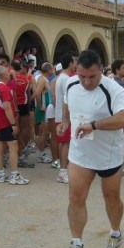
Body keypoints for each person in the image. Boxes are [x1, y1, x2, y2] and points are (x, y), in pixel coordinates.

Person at [58, 50, 124, 248]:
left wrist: (94, 125)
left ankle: (115, 233)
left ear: (101, 70)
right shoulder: (71, 84)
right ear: (76, 71)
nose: (86, 81)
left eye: (92, 76)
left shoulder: (113, 89)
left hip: (108, 154)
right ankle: (77, 244)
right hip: (80, 152)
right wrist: (65, 121)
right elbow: (67, 102)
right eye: (82, 76)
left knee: (111, 198)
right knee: (75, 197)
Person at [0, 66, 29, 185]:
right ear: (3, 75)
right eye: (7, 72)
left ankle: (1, 174)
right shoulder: (5, 89)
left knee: (0, 148)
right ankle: (14, 174)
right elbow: (7, 107)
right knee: (13, 147)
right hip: (6, 122)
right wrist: (13, 124)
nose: (9, 74)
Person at [54, 53, 77, 184]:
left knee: (64, 143)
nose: (76, 65)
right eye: (74, 62)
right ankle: (63, 172)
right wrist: (66, 120)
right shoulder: (65, 79)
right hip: (64, 117)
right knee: (65, 144)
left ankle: (64, 170)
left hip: (62, 116)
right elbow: (66, 100)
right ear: (69, 64)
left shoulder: (62, 77)